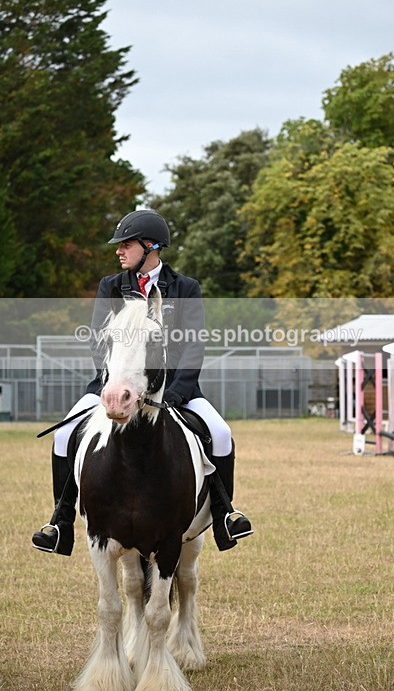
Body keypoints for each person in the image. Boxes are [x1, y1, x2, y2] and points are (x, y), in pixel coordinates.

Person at [32, 209, 253, 556]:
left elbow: (194, 345)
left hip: (176, 390)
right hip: (114, 385)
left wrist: (177, 392)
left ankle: (225, 514)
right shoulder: (111, 286)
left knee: (221, 433)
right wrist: (114, 381)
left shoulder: (184, 288)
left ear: (151, 247)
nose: (119, 251)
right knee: (63, 435)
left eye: (127, 244)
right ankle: (60, 521)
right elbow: (97, 341)